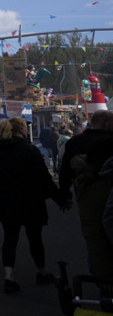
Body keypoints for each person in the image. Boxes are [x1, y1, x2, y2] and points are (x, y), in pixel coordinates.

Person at [0, 117, 66, 294]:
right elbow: (44, 178)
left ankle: (9, 277)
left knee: (10, 239)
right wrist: (60, 198)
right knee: (35, 239)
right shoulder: (29, 149)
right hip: (30, 200)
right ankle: (41, 272)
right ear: (22, 129)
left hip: (6, 200)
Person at [58, 110, 113, 281]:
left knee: (95, 239)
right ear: (104, 122)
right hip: (106, 193)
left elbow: (64, 172)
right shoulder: (109, 141)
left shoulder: (75, 143)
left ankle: (99, 279)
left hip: (85, 195)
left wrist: (64, 196)